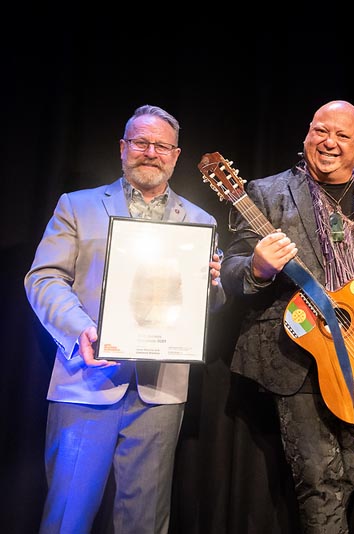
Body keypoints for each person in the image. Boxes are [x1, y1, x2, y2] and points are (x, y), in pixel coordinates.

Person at [24, 104, 226, 534]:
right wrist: (80, 329)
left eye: (161, 145)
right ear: (122, 148)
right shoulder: (77, 207)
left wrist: (209, 287)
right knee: (67, 517)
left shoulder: (199, 221)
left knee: (145, 523)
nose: (150, 152)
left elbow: (205, 310)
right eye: (141, 142)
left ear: (175, 155)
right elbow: (44, 278)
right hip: (85, 384)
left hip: (160, 392)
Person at [220, 100, 354, 534]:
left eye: (341, 135)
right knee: (318, 479)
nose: (329, 142)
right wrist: (258, 267)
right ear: (306, 134)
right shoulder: (265, 193)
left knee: (351, 473)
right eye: (320, 131)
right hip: (295, 356)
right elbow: (230, 267)